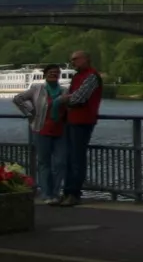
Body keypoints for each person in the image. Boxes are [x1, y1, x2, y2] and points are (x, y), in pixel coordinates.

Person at [12, 64, 68, 204]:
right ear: (45, 74)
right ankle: (46, 193)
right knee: (44, 163)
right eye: (51, 72)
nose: (54, 75)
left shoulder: (64, 90)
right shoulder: (37, 89)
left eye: (56, 73)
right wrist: (30, 112)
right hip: (41, 129)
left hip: (60, 131)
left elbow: (70, 107)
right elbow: (18, 99)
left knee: (60, 163)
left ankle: (55, 192)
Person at [59, 49, 103, 207]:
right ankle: (67, 192)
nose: (73, 62)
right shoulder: (77, 76)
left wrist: (65, 99)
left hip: (83, 121)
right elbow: (74, 96)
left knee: (77, 158)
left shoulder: (91, 76)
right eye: (72, 60)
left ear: (86, 59)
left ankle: (74, 193)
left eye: (76, 59)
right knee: (69, 158)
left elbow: (79, 98)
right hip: (71, 120)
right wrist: (68, 99)